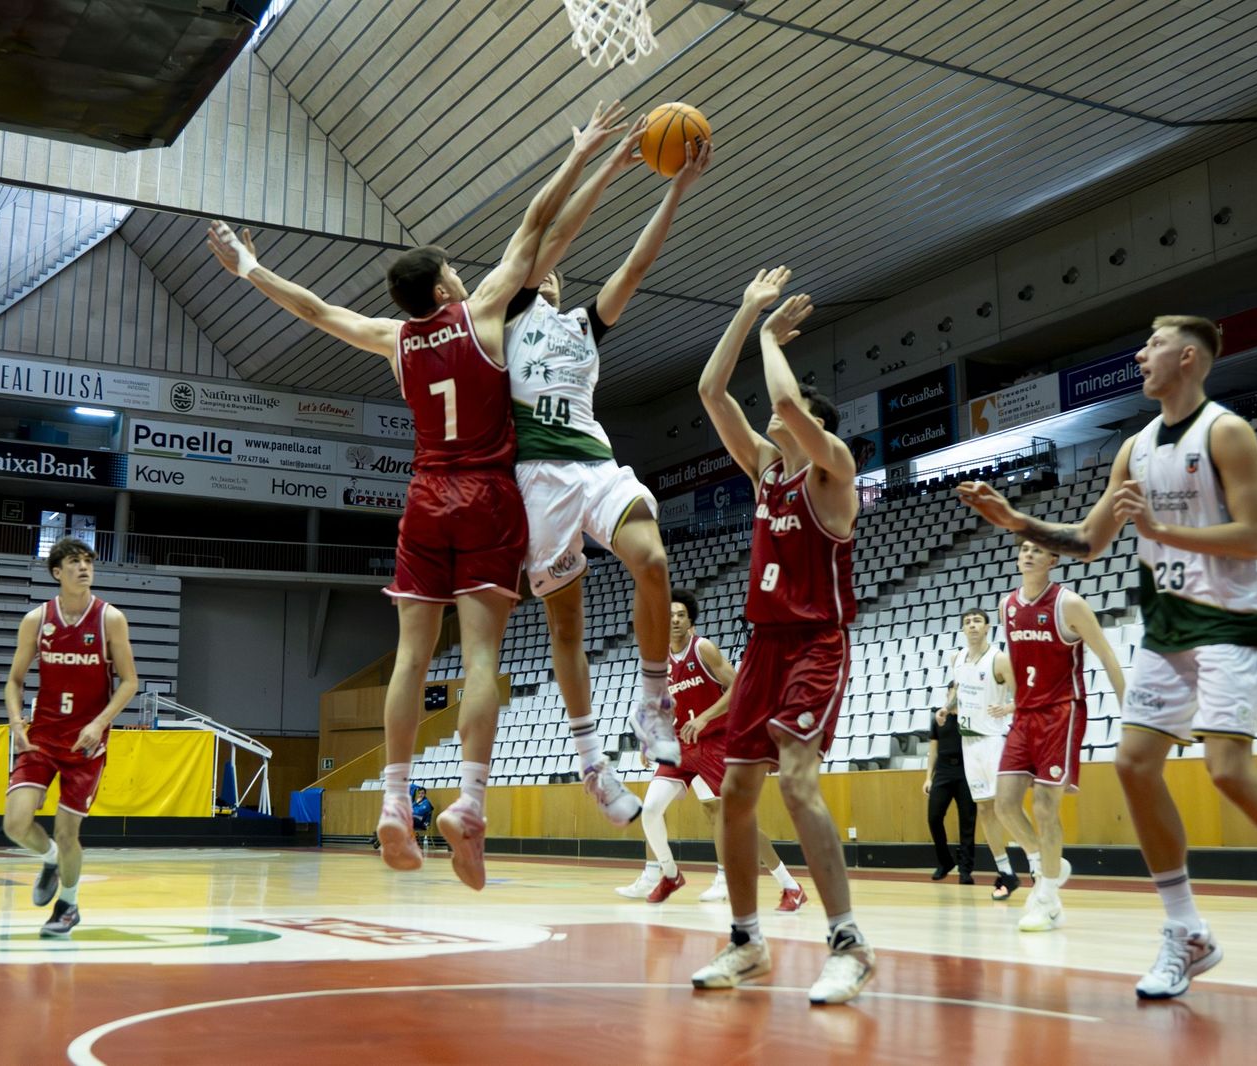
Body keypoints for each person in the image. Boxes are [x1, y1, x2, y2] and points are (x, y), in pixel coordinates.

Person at [206, 104, 630, 890]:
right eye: (454, 273)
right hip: (488, 497)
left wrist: (249, 271)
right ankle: (469, 802)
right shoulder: (484, 315)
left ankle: (396, 802)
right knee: (479, 659)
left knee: (410, 657)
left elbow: (314, 309)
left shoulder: (392, 339)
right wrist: (580, 159)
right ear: (443, 284)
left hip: (426, 496)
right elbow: (541, 230)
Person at [958, 314, 1257, 998]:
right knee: (1133, 765)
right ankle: (1187, 931)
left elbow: (1256, 537)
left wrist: (1158, 528)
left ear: (1188, 358)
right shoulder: (1136, 447)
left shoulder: (1226, 433)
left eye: (1152, 344)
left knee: (1227, 771)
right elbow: (1089, 541)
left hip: (1230, 620)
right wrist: (1016, 521)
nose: (1140, 353)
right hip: (1165, 626)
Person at [500, 135, 713, 821]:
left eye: (561, 275)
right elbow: (544, 235)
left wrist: (675, 188)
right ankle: (592, 759)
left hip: (593, 466)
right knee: (566, 625)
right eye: (546, 272)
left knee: (652, 559)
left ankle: (655, 699)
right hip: (536, 481)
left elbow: (639, 262)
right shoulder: (504, 316)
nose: (554, 276)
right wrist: (607, 165)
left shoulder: (585, 327)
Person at [690, 267, 873, 1006]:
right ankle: (747, 941)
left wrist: (770, 335)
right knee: (736, 793)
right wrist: (742, 312)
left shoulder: (833, 473)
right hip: (762, 646)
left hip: (814, 643)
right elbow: (710, 392)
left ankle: (848, 944)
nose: (772, 421)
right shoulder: (766, 472)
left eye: (785, 421)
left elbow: (788, 401)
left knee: (796, 782)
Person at [614, 588, 807, 910]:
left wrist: (704, 717)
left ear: (690, 622)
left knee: (737, 820)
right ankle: (671, 875)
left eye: (680, 615)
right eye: (669, 615)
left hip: (716, 742)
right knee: (649, 810)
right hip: (680, 746)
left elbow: (739, 686)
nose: (674, 620)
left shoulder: (703, 649)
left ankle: (790, 885)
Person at [3, 537, 140, 938]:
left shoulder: (110, 619)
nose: (84, 568)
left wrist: (99, 723)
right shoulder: (36, 620)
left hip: (86, 742)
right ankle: (48, 859)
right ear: (56, 572)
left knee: (68, 833)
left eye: (87, 562)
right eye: (74, 562)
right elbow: (14, 681)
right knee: (14, 823)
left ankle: (69, 905)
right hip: (42, 736)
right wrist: (15, 722)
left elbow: (130, 681)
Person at [990, 538, 1124, 931]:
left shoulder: (1069, 604)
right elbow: (1019, 665)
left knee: (1046, 807)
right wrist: (1016, 702)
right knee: (1005, 804)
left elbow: (1106, 655)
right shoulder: (1007, 606)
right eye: (1023, 549)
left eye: (1037, 550)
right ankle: (1044, 862)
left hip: (1062, 711)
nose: (1028, 554)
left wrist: (1129, 709)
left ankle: (1046, 899)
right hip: (1026, 714)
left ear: (1053, 559)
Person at [941, 608, 1029, 900]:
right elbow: (958, 694)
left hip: (994, 739)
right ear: (963, 629)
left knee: (1008, 806)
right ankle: (1006, 872)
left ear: (988, 627)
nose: (972, 626)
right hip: (970, 743)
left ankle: (1039, 863)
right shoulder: (957, 659)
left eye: (977, 621)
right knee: (985, 809)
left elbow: (1025, 697)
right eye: (967, 622)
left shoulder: (999, 659)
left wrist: (1008, 707)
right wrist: (946, 707)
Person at [922, 705, 975, 883]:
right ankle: (945, 862)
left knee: (967, 821)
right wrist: (928, 777)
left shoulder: (970, 716)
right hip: (943, 772)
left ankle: (965, 870)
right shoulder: (938, 719)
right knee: (934, 817)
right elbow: (933, 751)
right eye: (952, 690)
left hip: (965, 771)